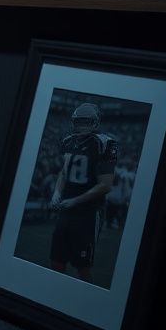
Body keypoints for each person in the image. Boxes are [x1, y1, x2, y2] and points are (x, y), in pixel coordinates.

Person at [49, 102, 118, 282]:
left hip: (88, 212)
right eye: (79, 122)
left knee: (82, 267)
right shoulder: (68, 141)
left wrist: (75, 201)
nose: (82, 126)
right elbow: (64, 172)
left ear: (95, 123)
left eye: (86, 122)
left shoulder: (104, 143)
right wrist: (57, 192)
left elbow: (106, 185)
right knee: (56, 261)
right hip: (66, 210)